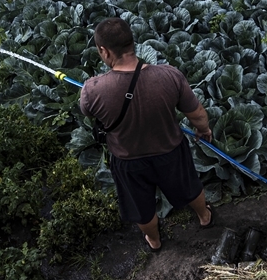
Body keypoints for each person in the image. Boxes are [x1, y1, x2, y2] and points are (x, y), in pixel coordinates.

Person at [80, 17, 214, 252]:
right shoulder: (169, 75)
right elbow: (198, 114)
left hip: (128, 162)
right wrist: (203, 130)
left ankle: (154, 241)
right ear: (133, 43)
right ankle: (205, 217)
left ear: (104, 51)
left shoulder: (93, 89)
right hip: (171, 152)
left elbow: (89, 113)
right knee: (190, 188)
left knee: (142, 208)